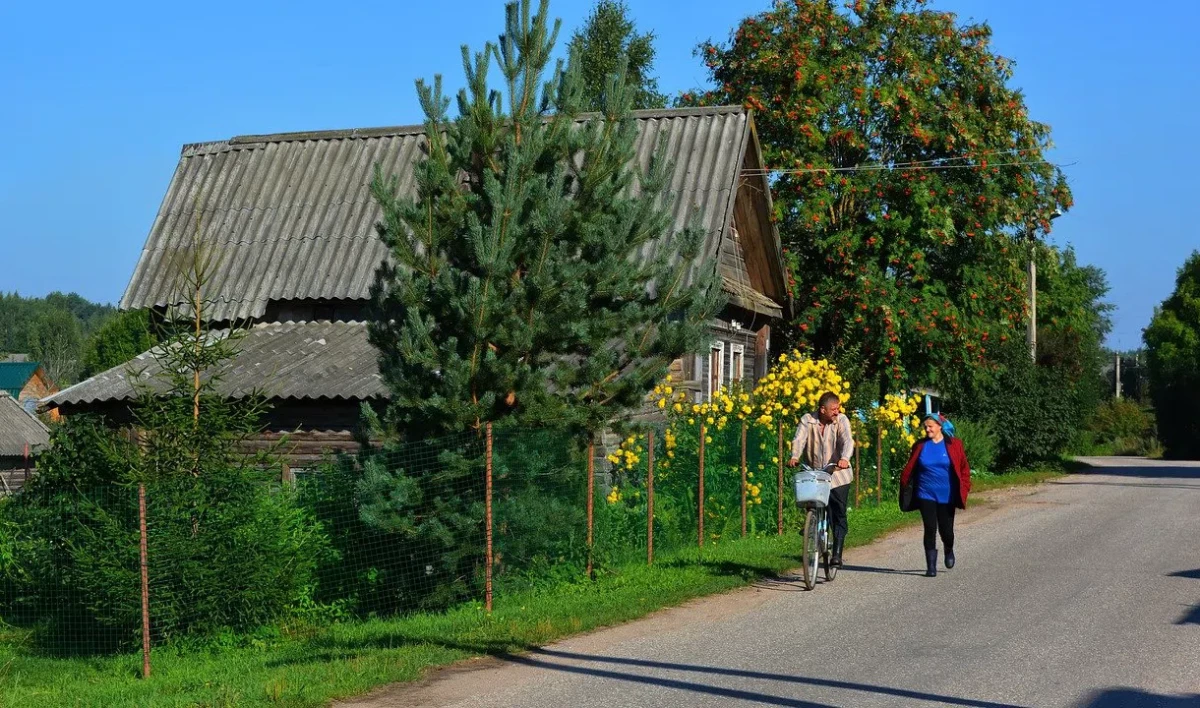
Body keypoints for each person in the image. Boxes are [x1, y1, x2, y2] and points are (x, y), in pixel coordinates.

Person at [898, 413, 972, 577]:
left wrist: (965, 487)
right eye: (925, 427)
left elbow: (964, 469)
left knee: (947, 531)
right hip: (926, 493)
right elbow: (911, 468)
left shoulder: (954, 445)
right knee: (930, 528)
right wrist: (905, 485)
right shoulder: (920, 445)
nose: (927, 429)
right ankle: (931, 566)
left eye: (930, 426)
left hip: (947, 495)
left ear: (940, 427)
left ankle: (949, 548)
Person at [788, 392, 854, 567]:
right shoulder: (808, 420)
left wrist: (845, 458)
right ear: (822, 409)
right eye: (833, 409)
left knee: (838, 512)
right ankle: (812, 523)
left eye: (838, 408)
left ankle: (837, 553)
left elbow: (848, 440)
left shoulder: (842, 420)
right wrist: (795, 456)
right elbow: (799, 439)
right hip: (816, 474)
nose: (836, 412)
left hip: (838, 474)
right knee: (809, 498)